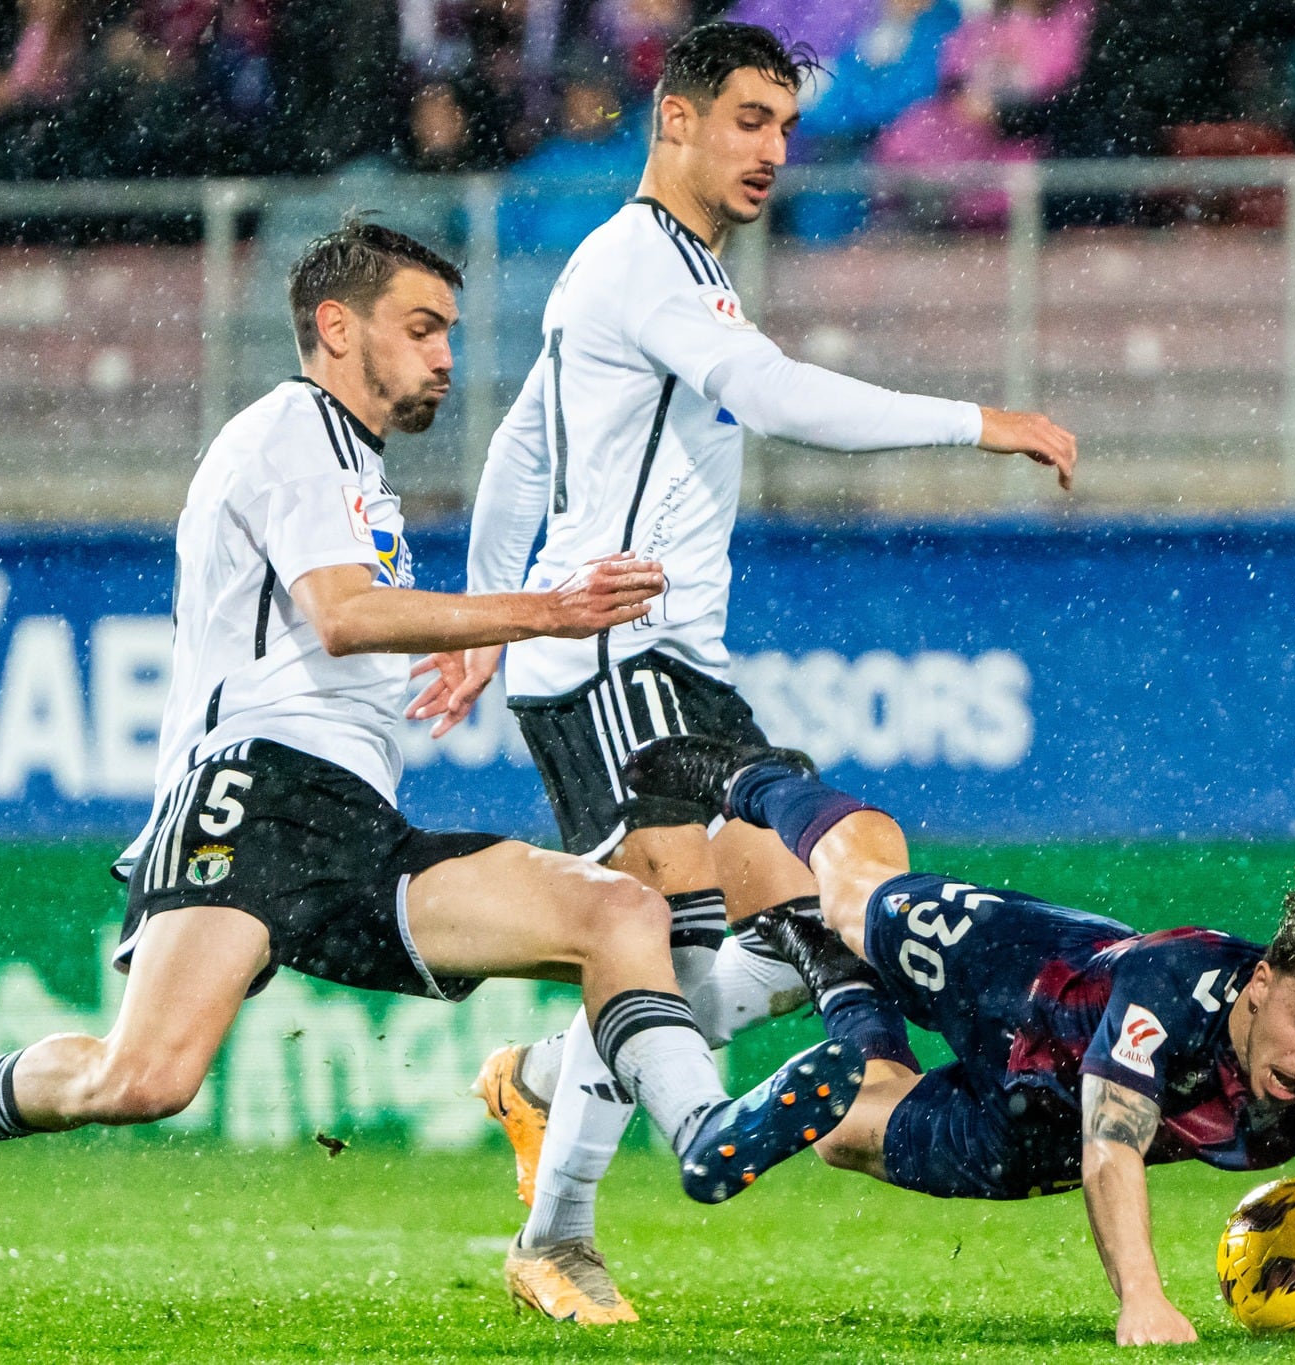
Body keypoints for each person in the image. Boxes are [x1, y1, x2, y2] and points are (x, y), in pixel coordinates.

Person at [0, 221, 867, 1256]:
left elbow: (356, 624)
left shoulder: (356, 470)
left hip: (359, 824)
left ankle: (698, 1128)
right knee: (142, 1079)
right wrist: (540, 613)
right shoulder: (289, 427)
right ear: (334, 325)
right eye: (421, 329)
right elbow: (342, 617)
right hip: (251, 798)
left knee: (619, 912)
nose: (444, 357)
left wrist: (468, 650)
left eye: (449, 333)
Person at [434, 19, 1078, 1325]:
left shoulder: (655, 271)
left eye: (786, 125)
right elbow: (774, 398)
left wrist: (483, 621)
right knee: (665, 945)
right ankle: (565, 1228)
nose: (775, 150)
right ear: (673, 120)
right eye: (747, 120)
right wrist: (979, 423)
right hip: (616, 665)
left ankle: (549, 1082)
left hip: (668, 666)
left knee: (811, 927)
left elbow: (520, 446)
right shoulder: (641, 265)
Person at [621, 734, 1295, 1348]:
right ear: (1263, 983)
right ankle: (755, 778)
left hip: (1034, 1125)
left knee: (842, 1136)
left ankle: (832, 975)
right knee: (853, 892)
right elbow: (1114, 1144)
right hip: (1012, 978)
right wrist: (1143, 1298)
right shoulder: (1171, 984)